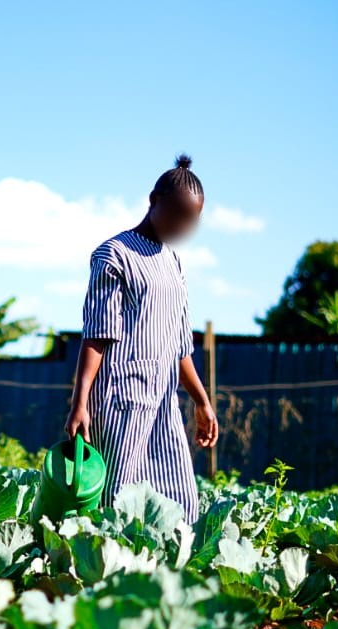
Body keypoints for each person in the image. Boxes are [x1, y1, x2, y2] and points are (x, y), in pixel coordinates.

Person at [64, 154, 219, 522]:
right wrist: (79, 402)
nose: (181, 226)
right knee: (115, 504)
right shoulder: (114, 255)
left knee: (181, 502)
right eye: (176, 214)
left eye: (190, 221)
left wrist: (201, 401)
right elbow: (97, 335)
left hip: (163, 402)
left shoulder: (174, 263)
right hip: (119, 401)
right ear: (153, 201)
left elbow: (180, 346)